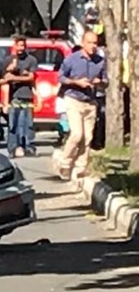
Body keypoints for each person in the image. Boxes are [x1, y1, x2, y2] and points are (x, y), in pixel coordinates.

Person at [56, 30, 107, 181]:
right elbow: (61, 77)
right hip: (73, 99)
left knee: (88, 137)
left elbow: (106, 81)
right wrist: (76, 82)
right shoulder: (71, 59)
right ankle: (64, 163)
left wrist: (100, 82)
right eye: (90, 43)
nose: (93, 46)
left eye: (95, 43)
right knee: (77, 134)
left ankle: (80, 168)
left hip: (90, 102)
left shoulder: (100, 61)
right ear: (83, 43)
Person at [0, 35, 37, 157]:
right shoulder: (8, 60)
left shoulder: (31, 60)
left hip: (27, 96)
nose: (21, 48)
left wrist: (15, 77)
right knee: (13, 124)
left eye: (23, 46)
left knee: (28, 124)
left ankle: (28, 147)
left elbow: (31, 77)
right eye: (18, 45)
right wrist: (11, 69)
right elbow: (4, 78)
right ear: (14, 46)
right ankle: (12, 148)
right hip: (13, 96)